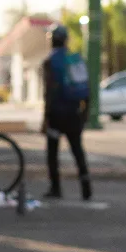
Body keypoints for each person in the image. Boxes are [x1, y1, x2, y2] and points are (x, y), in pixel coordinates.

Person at [41, 24, 92, 200]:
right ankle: (86, 188)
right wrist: (85, 112)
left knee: (53, 152)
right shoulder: (76, 59)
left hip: (56, 114)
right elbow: (87, 87)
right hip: (74, 114)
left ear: (52, 40)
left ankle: (55, 188)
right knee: (78, 151)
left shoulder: (50, 61)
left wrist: (45, 118)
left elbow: (48, 92)